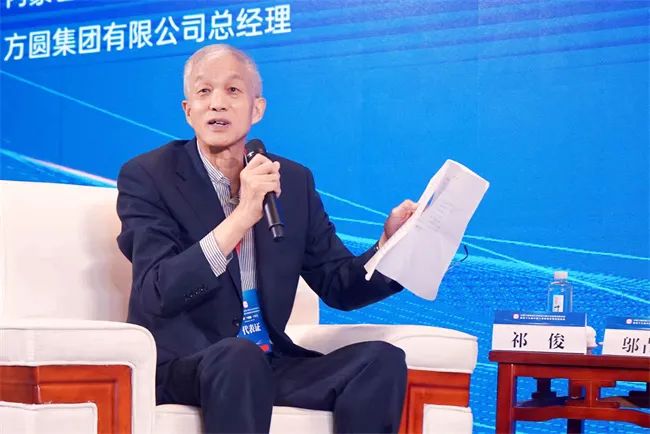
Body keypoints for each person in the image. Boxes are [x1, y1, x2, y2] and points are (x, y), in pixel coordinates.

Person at [116, 44, 418, 434]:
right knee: (239, 358)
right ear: (188, 111)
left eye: (233, 90)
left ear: (257, 109)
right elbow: (156, 291)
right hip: (184, 366)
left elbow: (339, 284)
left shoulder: (291, 181)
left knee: (380, 361)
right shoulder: (149, 176)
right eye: (204, 92)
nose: (217, 103)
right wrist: (242, 216)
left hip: (267, 360)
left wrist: (389, 245)